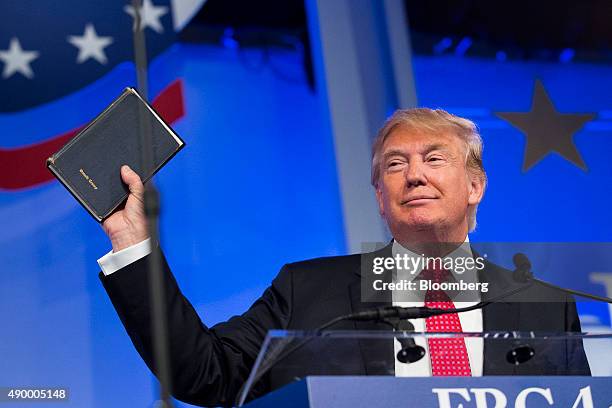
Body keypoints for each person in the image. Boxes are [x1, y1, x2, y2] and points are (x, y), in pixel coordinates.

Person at [98, 108, 589, 406]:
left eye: (434, 158)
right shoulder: (308, 292)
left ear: (476, 186)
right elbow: (206, 373)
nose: (414, 175)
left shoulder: (543, 306)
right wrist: (133, 244)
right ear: (380, 197)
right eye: (395, 165)